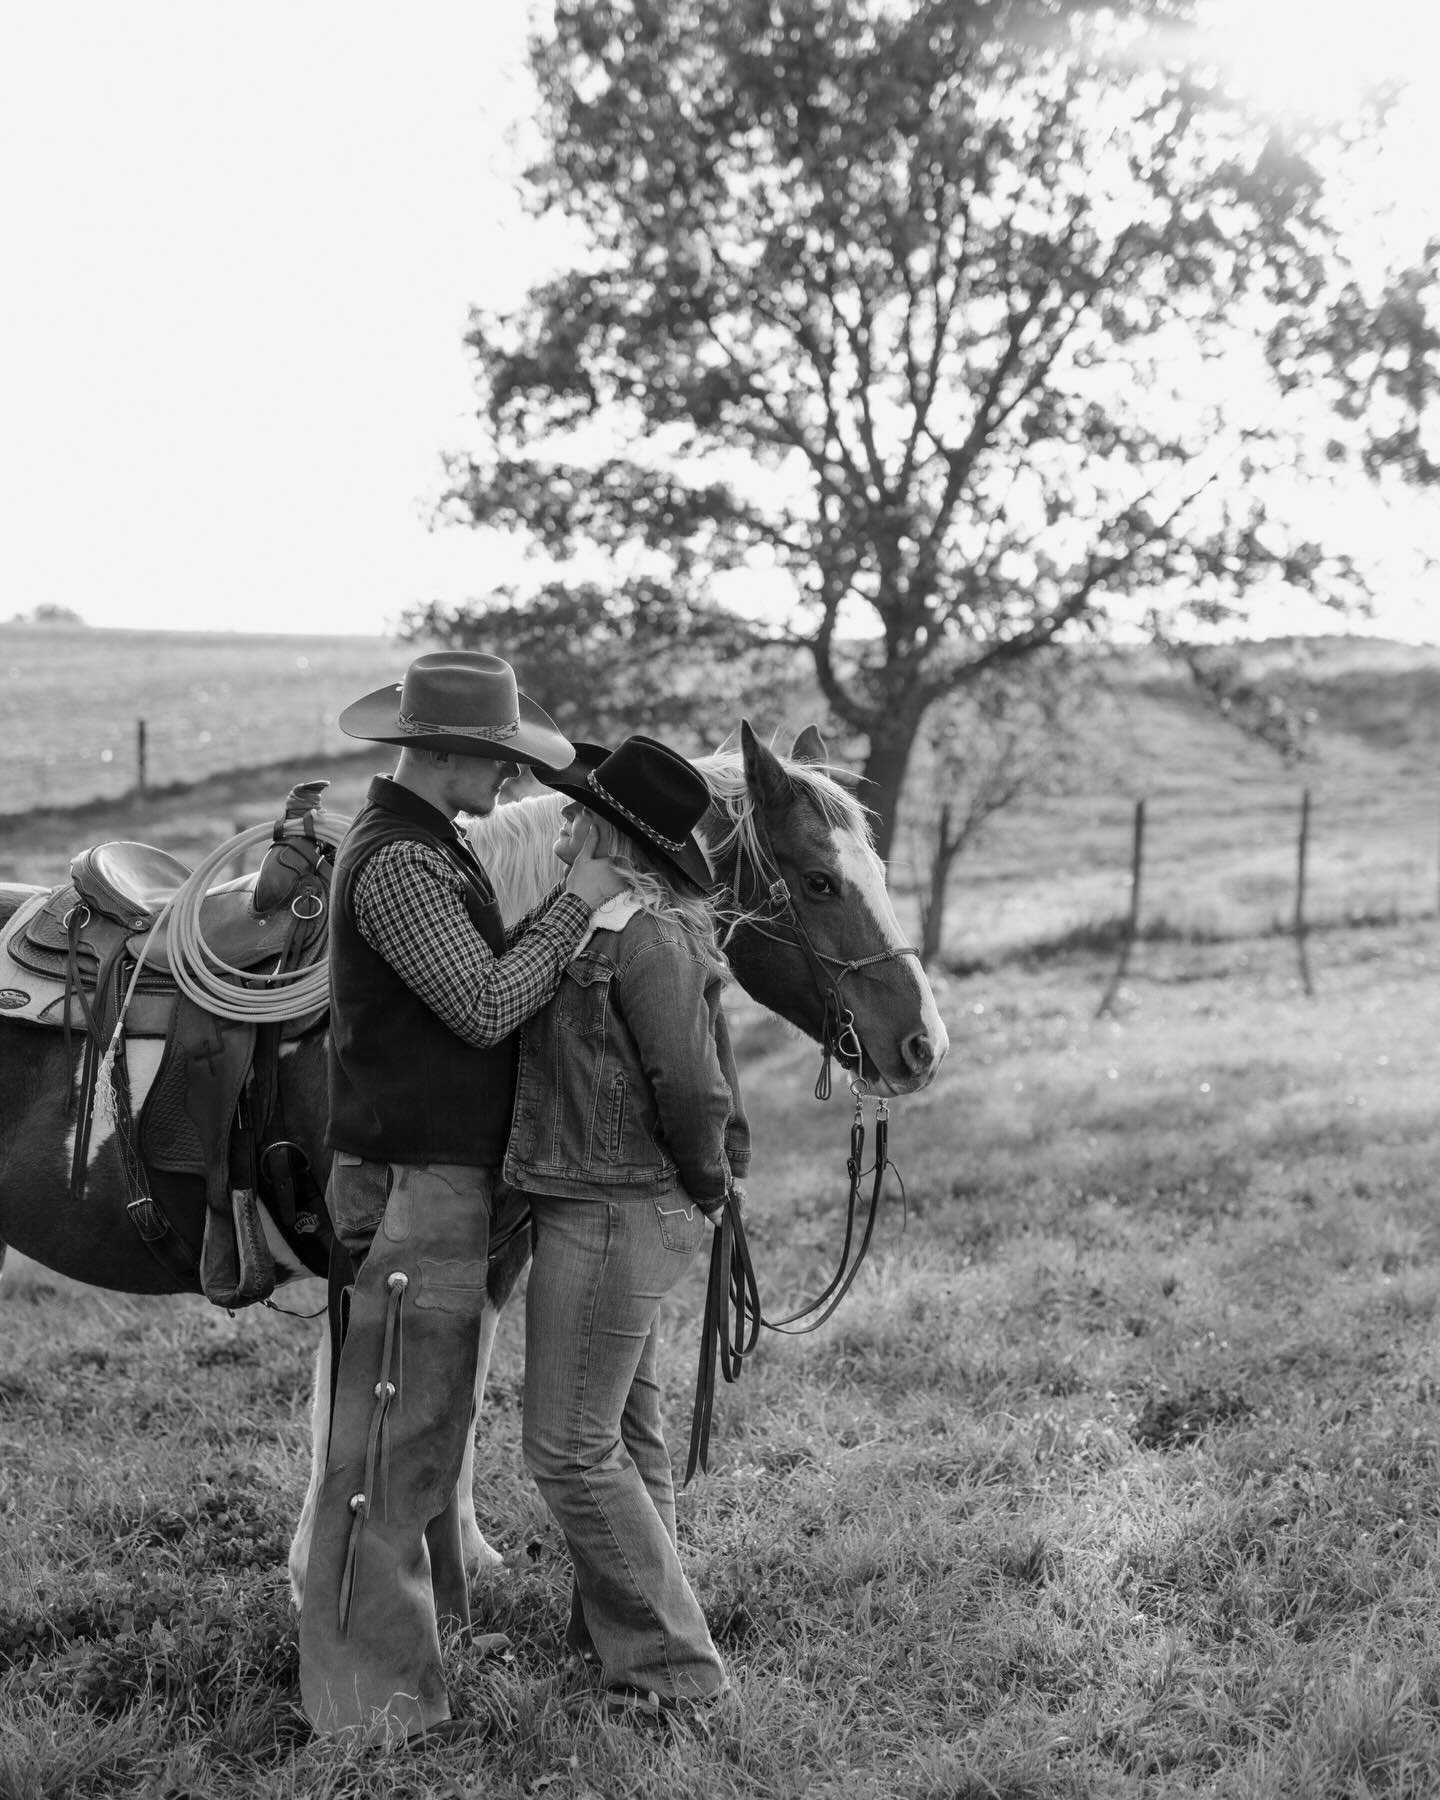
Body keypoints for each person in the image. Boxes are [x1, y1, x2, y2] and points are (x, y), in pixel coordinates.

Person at [299, 651, 625, 1747]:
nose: (508, 782)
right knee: (387, 1451)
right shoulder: (398, 863)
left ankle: (417, 1651)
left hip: (438, 1178)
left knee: (423, 1429)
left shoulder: (431, 847)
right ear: (442, 753)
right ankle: (368, 1707)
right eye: (494, 759)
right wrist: (579, 898)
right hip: (415, 1184)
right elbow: (486, 1005)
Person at [503, 735, 750, 1727]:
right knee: (626, 1434)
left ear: (608, 832)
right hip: (592, 1197)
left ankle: (674, 1667)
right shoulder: (594, 928)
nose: (559, 823)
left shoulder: (651, 939)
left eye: (574, 812)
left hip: (617, 1205)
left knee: (564, 1445)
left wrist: (707, 1185)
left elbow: (692, 1086)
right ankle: (617, 1638)